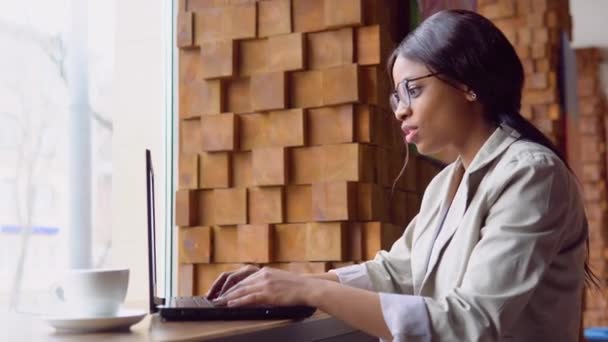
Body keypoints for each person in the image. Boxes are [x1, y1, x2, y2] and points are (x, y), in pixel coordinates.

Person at [205, 10, 593, 341]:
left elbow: (470, 324)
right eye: (397, 96)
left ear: (468, 85)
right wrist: (283, 283)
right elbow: (396, 271)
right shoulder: (445, 183)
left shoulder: (530, 174)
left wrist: (309, 290)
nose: (400, 111)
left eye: (414, 90)